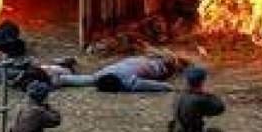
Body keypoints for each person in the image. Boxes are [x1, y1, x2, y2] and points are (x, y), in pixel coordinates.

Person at [156, 64, 227, 132]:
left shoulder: (179, 96)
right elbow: (220, 107)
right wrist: (207, 94)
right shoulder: (200, 99)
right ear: (202, 81)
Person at [48, 49, 186, 93]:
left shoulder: (128, 83)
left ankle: (178, 62)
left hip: (156, 66)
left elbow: (152, 85)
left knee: (174, 64)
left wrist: (169, 87)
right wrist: (58, 80)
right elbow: (80, 80)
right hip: (137, 60)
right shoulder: (100, 76)